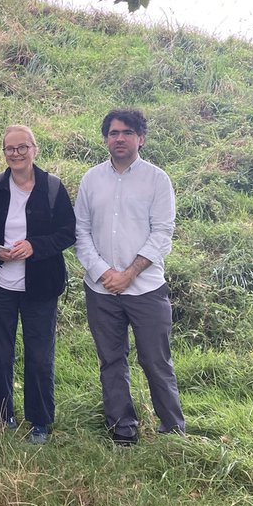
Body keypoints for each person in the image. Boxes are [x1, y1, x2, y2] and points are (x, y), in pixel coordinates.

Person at [75, 108, 186, 445]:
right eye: (112, 132)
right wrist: (104, 272)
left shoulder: (157, 179)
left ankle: (172, 430)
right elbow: (81, 231)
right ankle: (122, 429)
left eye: (126, 132)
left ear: (141, 138)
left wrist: (129, 273)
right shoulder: (91, 179)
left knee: (155, 361)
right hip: (102, 290)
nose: (119, 138)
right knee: (111, 360)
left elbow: (162, 234)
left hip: (146, 290)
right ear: (105, 138)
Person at [0, 125, 76, 444]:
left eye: (22, 147)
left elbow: (68, 232)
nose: (16, 154)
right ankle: (2, 414)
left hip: (41, 288)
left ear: (35, 148)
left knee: (40, 355)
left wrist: (35, 246)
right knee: (0, 354)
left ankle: (40, 420)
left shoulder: (53, 188)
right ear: (3, 152)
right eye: (9, 149)